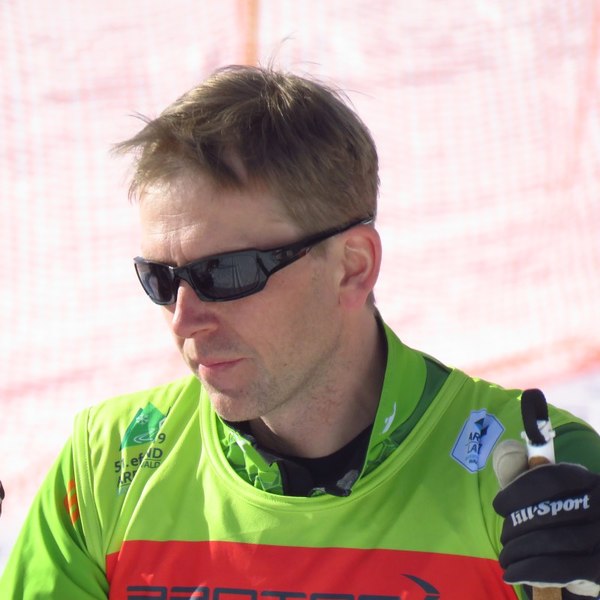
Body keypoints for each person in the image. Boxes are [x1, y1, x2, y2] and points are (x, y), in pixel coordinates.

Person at [1, 64, 599, 600]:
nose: (183, 318)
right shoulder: (109, 463)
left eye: (225, 273)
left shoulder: (534, 474)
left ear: (352, 267)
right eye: (159, 278)